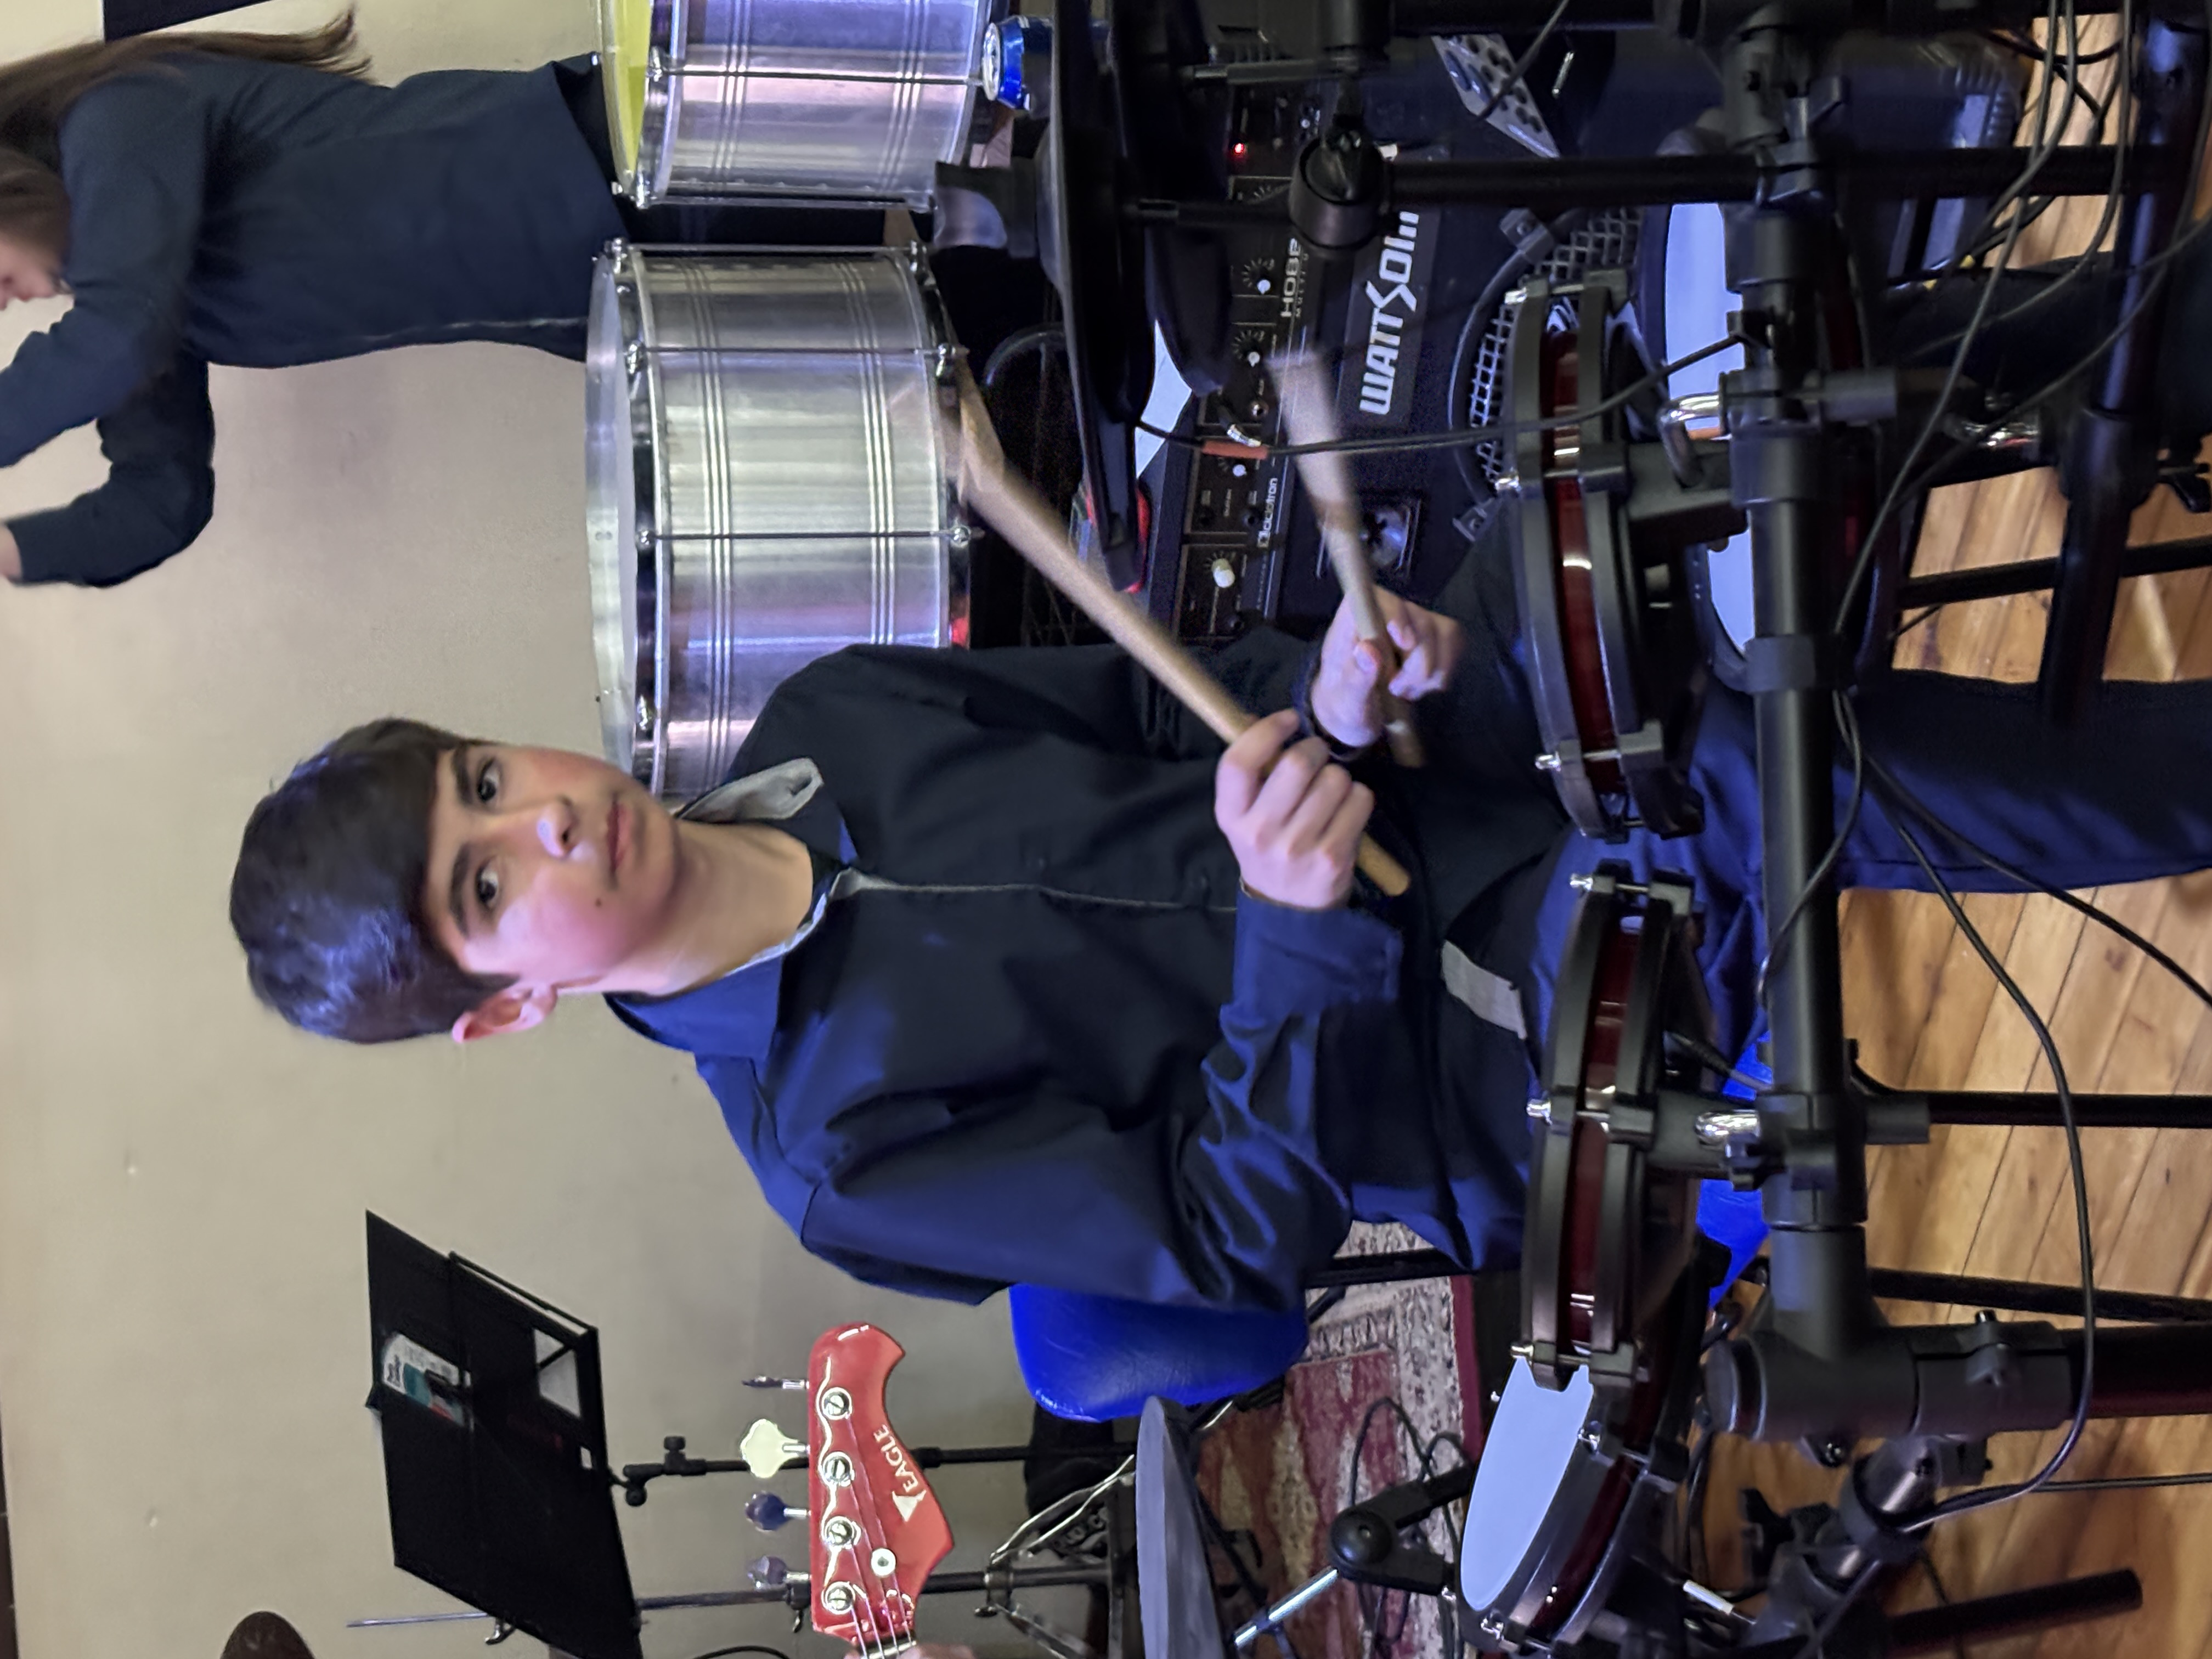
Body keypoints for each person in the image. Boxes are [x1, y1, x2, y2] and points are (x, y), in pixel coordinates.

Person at [225, 525, 2212, 1311]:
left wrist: (1328, 688)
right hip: (1486, 1063)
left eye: (483, 776)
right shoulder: (836, 1156)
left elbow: (1171, 704)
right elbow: (1228, 1232)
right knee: (1720, 774)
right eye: (487, 883)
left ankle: (2134, 334)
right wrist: (1289, 925)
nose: (548, 815)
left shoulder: (835, 716)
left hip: (1433, 797)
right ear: (502, 1007)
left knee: (1610, 521)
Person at [0, 12, 878, 589]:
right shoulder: (148, 300)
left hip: (615, 170)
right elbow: (161, 501)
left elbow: (117, 334)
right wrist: (14, 552)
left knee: (926, 186)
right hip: (619, 302)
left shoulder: (116, 118)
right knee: (910, 289)